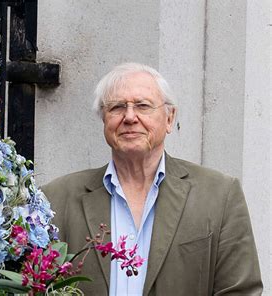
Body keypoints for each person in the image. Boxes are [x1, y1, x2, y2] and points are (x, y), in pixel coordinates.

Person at [42, 63, 263, 295]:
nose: (129, 117)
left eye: (143, 106)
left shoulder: (219, 195)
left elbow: (240, 291)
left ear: (169, 118)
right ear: (104, 120)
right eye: (117, 107)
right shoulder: (57, 198)